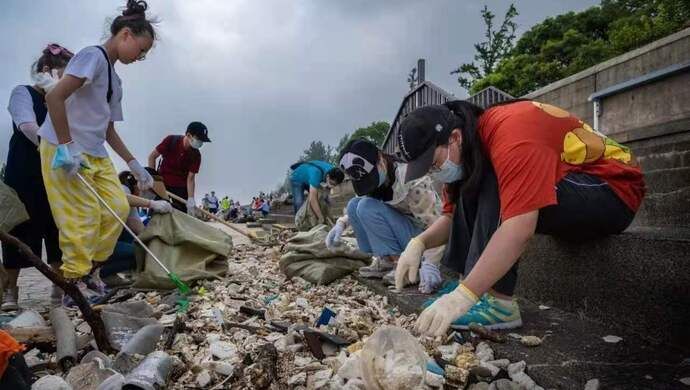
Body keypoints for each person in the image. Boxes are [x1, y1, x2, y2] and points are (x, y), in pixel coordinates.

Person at [395, 100, 645, 336]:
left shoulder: (510, 130)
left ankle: (498, 303)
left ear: (455, 138)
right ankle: (472, 283)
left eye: (433, 163)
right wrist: (419, 243)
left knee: (493, 176)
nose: (434, 172)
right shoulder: (468, 150)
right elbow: (450, 216)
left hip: (613, 191)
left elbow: (520, 227)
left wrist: (464, 296)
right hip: (572, 187)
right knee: (472, 184)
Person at [37, 0, 157, 305]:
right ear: (125, 35)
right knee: (83, 216)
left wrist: (133, 163)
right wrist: (66, 148)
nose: (141, 57)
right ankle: (72, 284)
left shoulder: (115, 82)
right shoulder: (92, 56)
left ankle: (92, 273)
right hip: (64, 147)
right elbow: (54, 97)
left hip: (94, 151)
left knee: (117, 207)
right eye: (141, 50)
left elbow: (108, 129)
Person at [2, 44, 74, 310]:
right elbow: (26, 125)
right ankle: (11, 291)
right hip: (24, 173)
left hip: (55, 175)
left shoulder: (64, 102)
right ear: (47, 71)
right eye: (63, 75)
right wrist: (56, 148)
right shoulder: (23, 93)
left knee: (56, 231)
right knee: (18, 233)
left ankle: (60, 292)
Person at [325, 139, 445, 291]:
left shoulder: (410, 179)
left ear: (381, 159)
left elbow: (437, 224)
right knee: (354, 205)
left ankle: (404, 265)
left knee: (365, 206)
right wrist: (341, 224)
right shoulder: (376, 181)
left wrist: (431, 263)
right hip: (405, 233)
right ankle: (387, 260)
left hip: (423, 239)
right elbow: (360, 204)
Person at [99, 171, 172, 285]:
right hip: (98, 241)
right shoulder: (122, 190)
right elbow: (121, 197)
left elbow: (137, 227)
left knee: (137, 243)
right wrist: (150, 203)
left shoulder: (129, 194)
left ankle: (105, 269)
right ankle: (101, 272)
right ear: (137, 184)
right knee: (138, 253)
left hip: (109, 236)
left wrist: (156, 242)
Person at [148, 121, 211, 214]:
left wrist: (191, 199)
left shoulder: (196, 155)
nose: (200, 143)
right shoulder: (171, 141)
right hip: (163, 185)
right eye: (199, 139)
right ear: (189, 135)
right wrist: (153, 180)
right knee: (156, 213)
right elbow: (152, 157)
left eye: (202, 141)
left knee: (181, 216)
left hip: (181, 189)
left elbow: (191, 178)